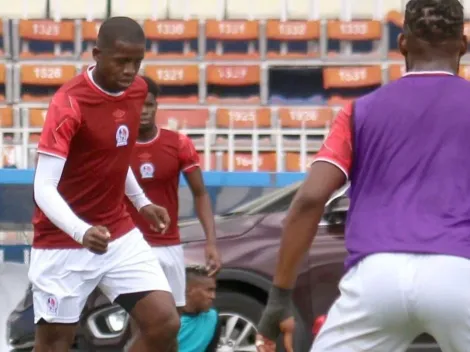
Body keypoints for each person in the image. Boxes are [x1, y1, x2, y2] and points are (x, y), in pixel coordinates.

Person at [256, 1, 470, 351]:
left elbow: (309, 199)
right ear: (463, 44)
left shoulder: (360, 111)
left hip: (375, 277)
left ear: (402, 43)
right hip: (461, 272)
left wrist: (279, 298)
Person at [30, 17, 180, 352]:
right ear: (97, 54)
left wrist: (140, 202)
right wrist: (80, 231)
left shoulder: (138, 90)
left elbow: (114, 152)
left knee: (164, 323)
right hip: (62, 245)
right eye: (122, 61)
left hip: (117, 234)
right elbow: (43, 186)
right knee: (54, 346)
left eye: (137, 62)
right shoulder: (68, 104)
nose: (130, 70)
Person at [126, 75, 221, 312]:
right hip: (128, 245)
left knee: (172, 319)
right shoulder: (116, 145)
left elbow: (200, 194)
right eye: (138, 104)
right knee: (137, 318)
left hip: (169, 245)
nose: (144, 111)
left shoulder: (179, 143)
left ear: (156, 106)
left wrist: (211, 242)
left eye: (149, 105)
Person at [177, 265, 221, 352]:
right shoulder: (167, 320)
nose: (213, 296)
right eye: (209, 290)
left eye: (214, 290)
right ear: (188, 290)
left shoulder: (212, 318)